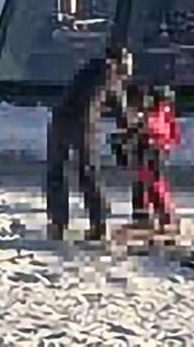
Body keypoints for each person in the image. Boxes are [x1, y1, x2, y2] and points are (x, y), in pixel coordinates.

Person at [45, 46, 134, 242]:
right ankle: (98, 224)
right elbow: (121, 111)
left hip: (59, 120)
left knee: (56, 171)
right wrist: (130, 127)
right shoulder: (112, 74)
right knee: (88, 172)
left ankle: (57, 223)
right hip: (83, 123)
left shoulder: (88, 68)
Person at [127, 85, 181, 234]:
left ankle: (163, 215)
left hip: (155, 146)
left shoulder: (160, 112)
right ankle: (143, 214)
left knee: (153, 182)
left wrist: (164, 143)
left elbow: (163, 129)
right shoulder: (156, 112)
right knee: (143, 181)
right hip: (149, 145)